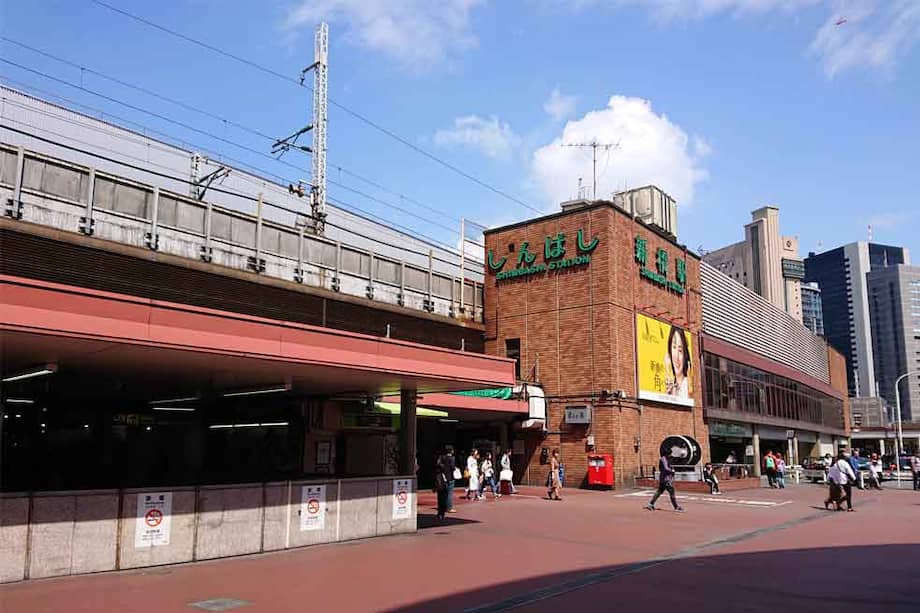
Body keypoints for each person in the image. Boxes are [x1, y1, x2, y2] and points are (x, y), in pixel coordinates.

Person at [665, 326, 691, 399]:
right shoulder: (671, 385)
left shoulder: (687, 385)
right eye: (674, 347)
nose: (676, 356)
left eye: (680, 351)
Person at [434, 450, 451, 520]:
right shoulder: (447, 461)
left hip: (442, 482)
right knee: (443, 498)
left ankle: (441, 513)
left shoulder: (439, 470)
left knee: (441, 498)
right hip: (444, 482)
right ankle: (442, 513)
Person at [442, 446, 458, 513]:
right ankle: (449, 508)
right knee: (450, 493)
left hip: (444, 476)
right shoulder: (452, 458)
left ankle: (444, 507)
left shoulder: (443, 458)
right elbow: (453, 468)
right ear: (451, 451)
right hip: (450, 477)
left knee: (445, 493)